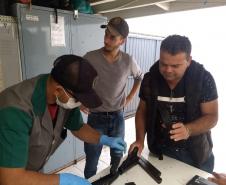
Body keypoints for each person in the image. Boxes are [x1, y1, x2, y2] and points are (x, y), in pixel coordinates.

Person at [0, 55, 126, 185]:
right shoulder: (15, 111)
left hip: (31, 171)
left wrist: (103, 139)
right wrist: (62, 180)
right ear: (59, 90)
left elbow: (78, 128)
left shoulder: (61, 97)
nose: (80, 104)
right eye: (78, 99)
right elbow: (11, 179)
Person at [129, 35, 218, 173]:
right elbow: (142, 111)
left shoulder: (203, 79)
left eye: (175, 66)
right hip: (160, 150)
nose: (168, 70)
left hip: (196, 152)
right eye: (163, 64)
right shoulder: (150, 79)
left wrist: (188, 129)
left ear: (189, 60)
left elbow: (212, 116)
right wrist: (140, 140)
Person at [81, 17, 143, 178]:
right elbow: (77, 80)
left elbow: (139, 77)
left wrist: (129, 98)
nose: (106, 39)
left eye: (112, 37)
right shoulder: (90, 58)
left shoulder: (128, 60)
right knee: (91, 162)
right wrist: (80, 100)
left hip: (118, 118)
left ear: (122, 41)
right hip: (95, 118)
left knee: (117, 159)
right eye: (106, 34)